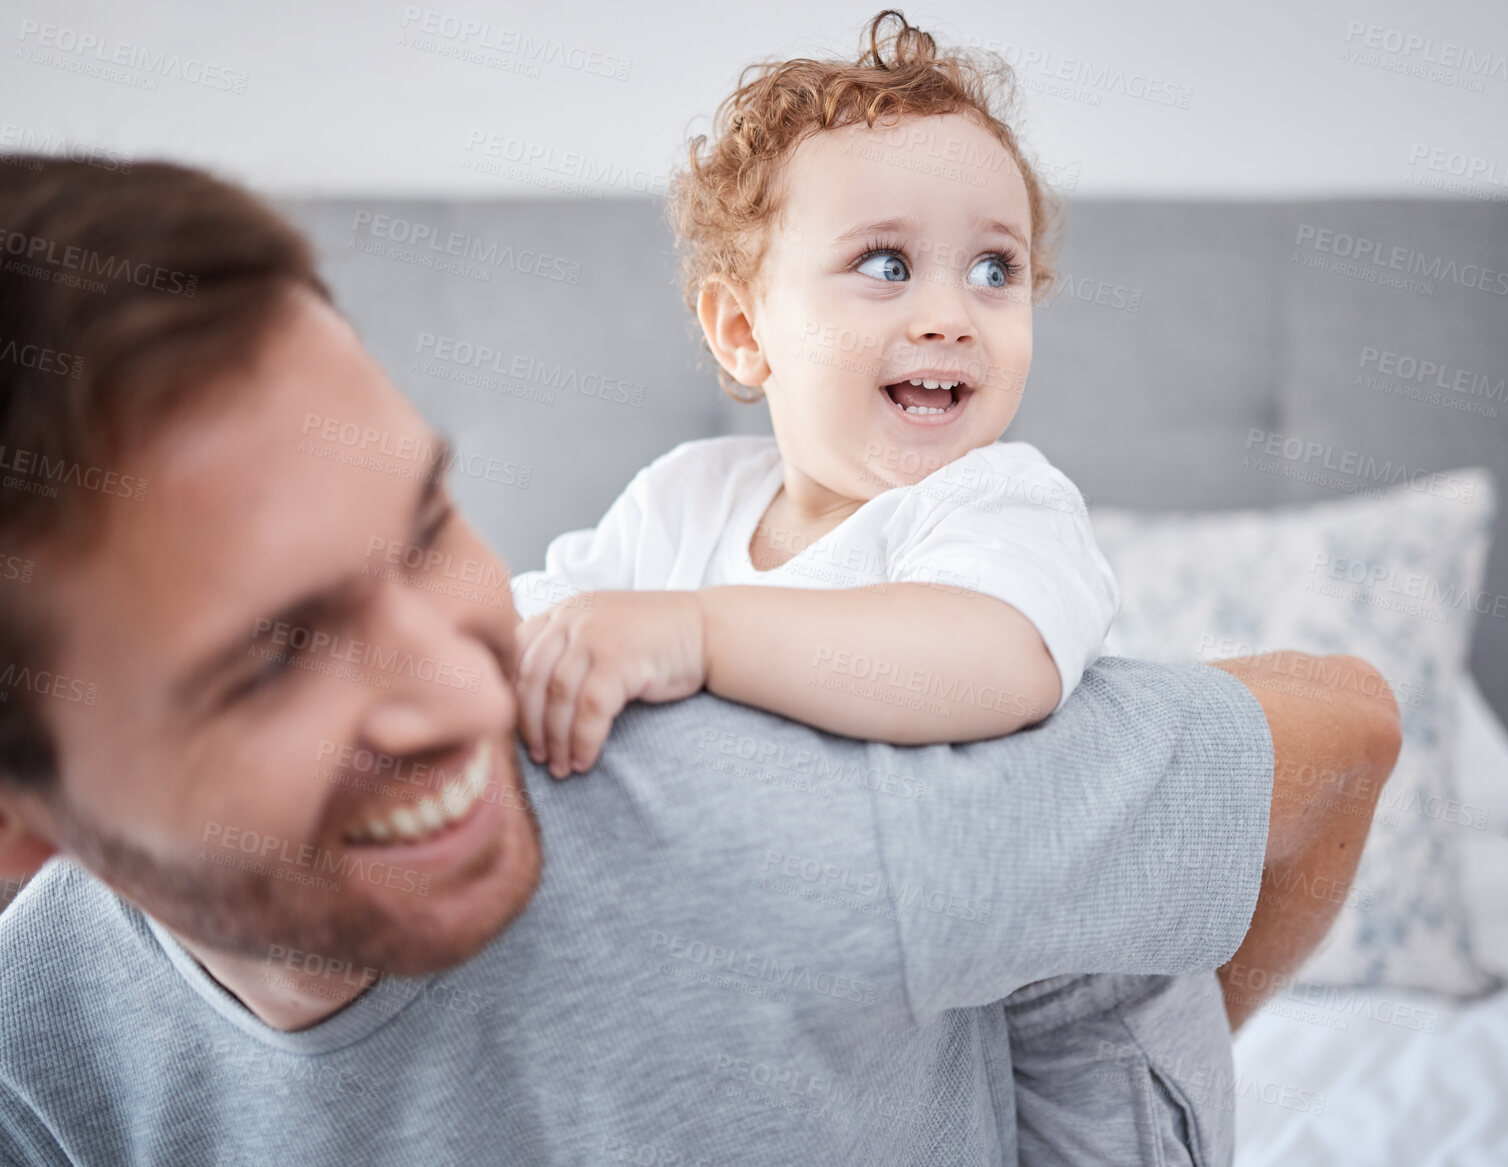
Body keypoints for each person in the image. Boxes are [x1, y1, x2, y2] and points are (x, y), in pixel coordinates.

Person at [0, 155, 1398, 1165]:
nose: (466, 688)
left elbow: (1343, 731)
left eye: (428, 524)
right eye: (278, 656)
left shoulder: (817, 808)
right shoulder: (36, 1050)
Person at [502, 13, 1256, 1162]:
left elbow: (990, 656)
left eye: (993, 269)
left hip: (1061, 1072)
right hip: (812, 1016)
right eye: (885, 264)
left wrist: (700, 632)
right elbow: (536, 623)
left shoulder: (998, 506)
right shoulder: (683, 500)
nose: (950, 311)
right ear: (744, 329)